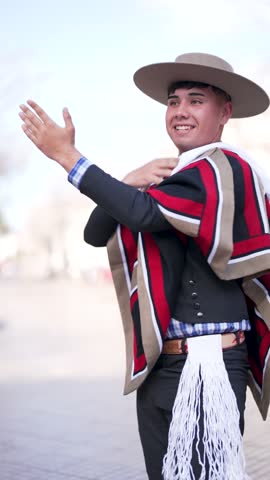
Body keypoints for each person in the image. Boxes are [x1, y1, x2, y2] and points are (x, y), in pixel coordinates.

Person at [19, 52, 270, 480]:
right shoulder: (176, 179)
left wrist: (69, 159)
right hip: (163, 366)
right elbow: (96, 233)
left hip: (207, 366)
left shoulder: (226, 170)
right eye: (174, 102)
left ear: (225, 111)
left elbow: (143, 216)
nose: (181, 111)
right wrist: (127, 178)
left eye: (196, 100)